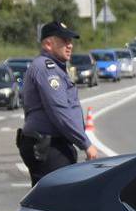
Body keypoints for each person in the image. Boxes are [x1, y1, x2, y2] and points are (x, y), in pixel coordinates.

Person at [17, 21, 99, 183]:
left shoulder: (54, 67)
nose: (69, 46)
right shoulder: (46, 69)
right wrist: (85, 144)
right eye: (64, 41)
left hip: (52, 143)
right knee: (57, 199)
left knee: (53, 201)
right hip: (48, 145)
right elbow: (59, 110)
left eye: (70, 41)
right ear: (48, 44)